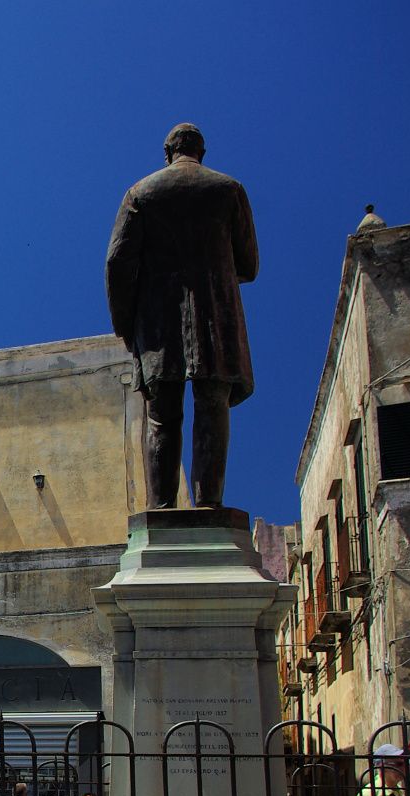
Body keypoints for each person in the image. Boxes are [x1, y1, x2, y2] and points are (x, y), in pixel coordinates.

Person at [105, 122, 260, 510]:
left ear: (167, 153)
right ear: (201, 153)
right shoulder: (229, 190)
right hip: (215, 318)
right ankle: (209, 506)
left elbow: (117, 263)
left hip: (157, 324)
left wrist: (127, 326)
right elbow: (250, 265)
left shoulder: (140, 193)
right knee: (212, 406)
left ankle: (161, 509)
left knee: (162, 415)